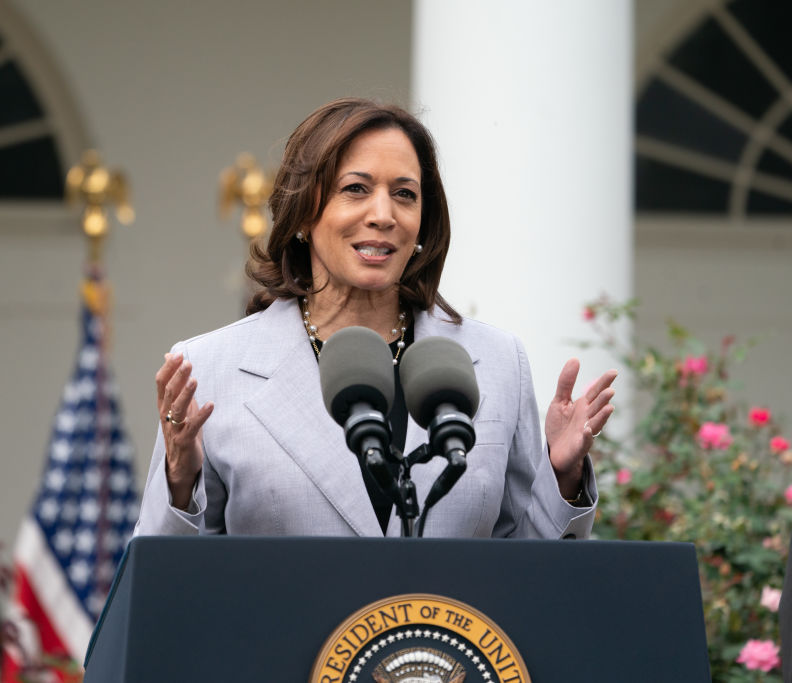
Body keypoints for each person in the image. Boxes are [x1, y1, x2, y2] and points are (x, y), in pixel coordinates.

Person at [135, 98, 616, 539]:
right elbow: (169, 587)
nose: (383, 214)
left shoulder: (496, 362)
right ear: (304, 212)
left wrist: (563, 477)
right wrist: (180, 481)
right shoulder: (209, 368)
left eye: (404, 194)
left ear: (423, 223)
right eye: (356, 189)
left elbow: (527, 573)